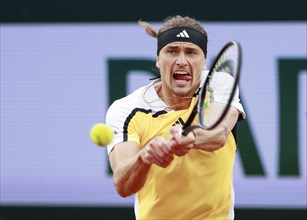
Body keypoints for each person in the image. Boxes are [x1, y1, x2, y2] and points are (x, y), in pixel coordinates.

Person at [105, 15, 245, 219]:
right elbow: (123, 185)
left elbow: (219, 133)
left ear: (204, 61)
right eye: (172, 51)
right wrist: (143, 158)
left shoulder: (218, 84)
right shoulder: (126, 109)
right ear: (158, 60)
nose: (181, 61)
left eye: (191, 52)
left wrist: (192, 139)